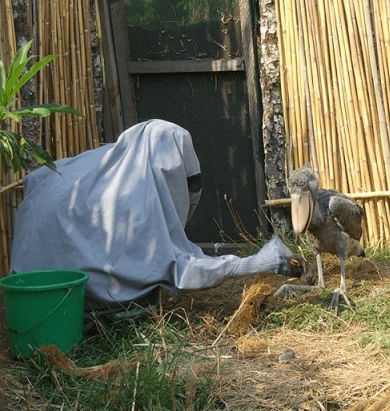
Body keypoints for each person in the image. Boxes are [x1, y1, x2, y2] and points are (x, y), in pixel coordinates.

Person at [10, 120, 302, 315]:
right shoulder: (131, 199)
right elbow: (176, 268)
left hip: (22, 290)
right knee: (137, 291)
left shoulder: (107, 162)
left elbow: (40, 178)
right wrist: (253, 263)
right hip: (58, 299)